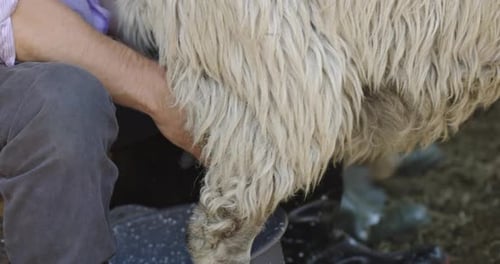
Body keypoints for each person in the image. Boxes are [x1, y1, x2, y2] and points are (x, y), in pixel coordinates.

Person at [0, 0, 200, 263]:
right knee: (64, 105)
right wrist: (162, 97)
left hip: (88, 35)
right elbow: (19, 20)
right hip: (28, 56)